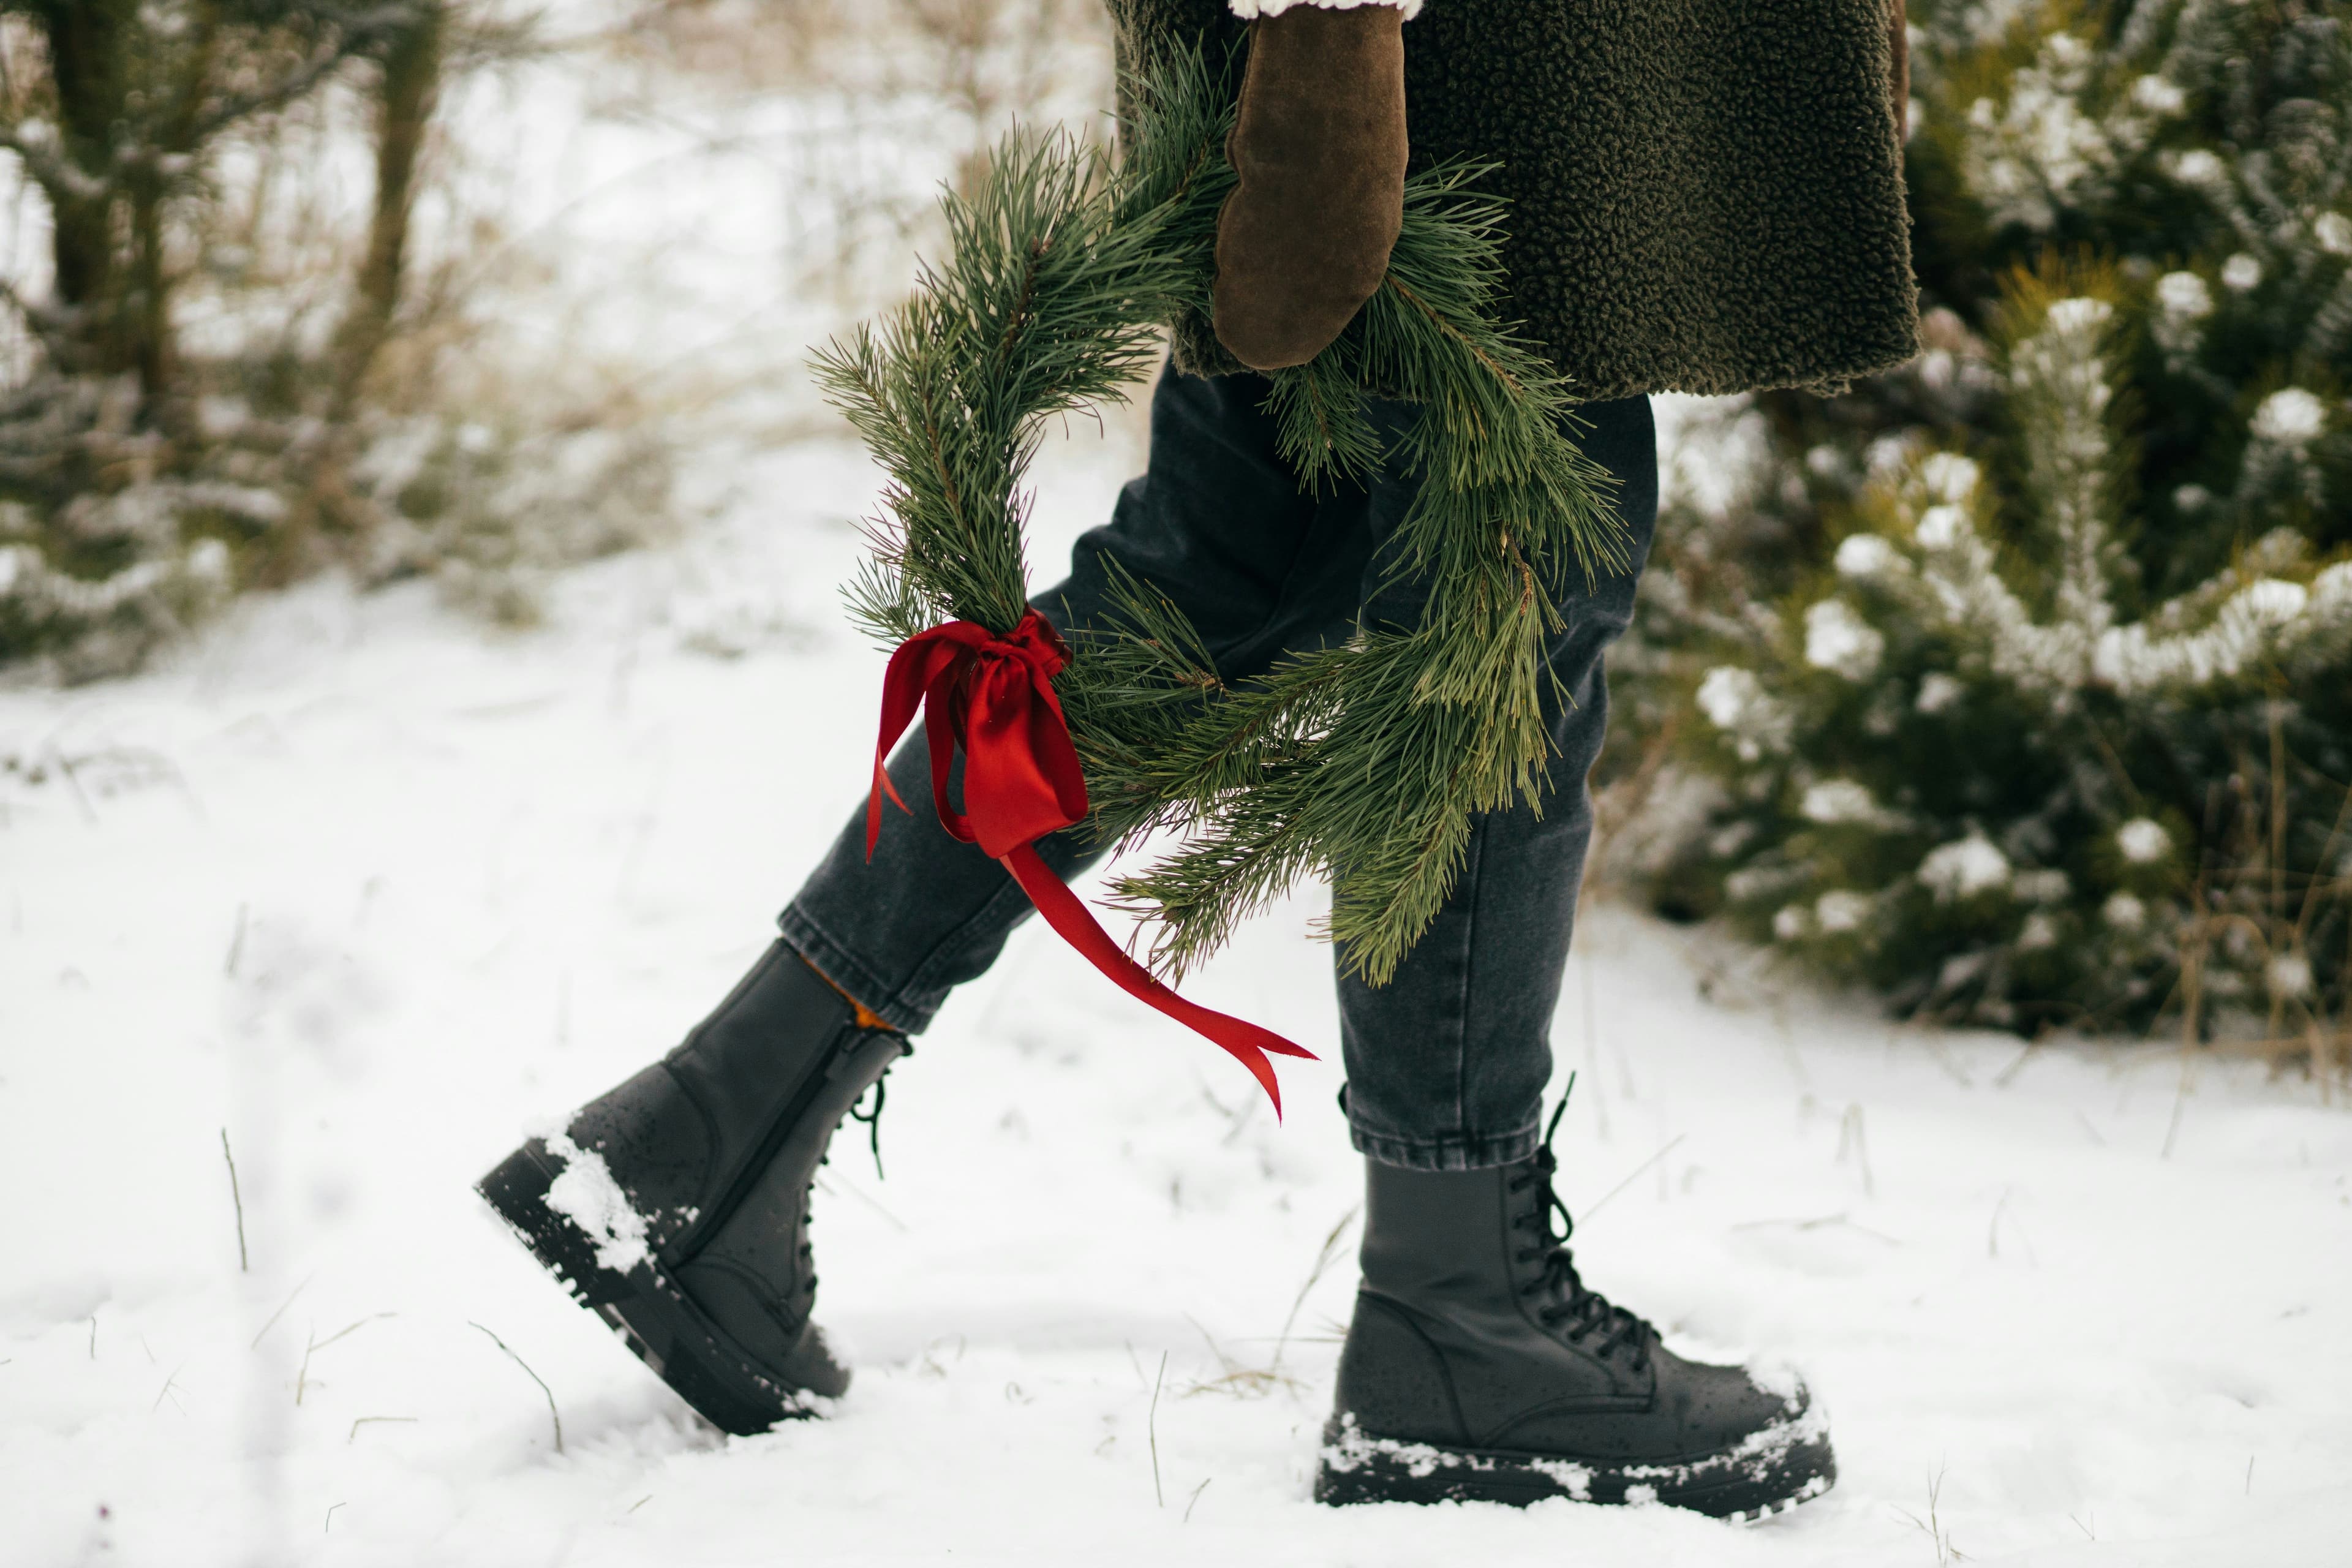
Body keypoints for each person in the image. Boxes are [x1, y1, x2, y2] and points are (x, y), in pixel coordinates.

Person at [478, 0, 1918, 1517]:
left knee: (1233, 557)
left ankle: (706, 1131)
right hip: (1460, 44)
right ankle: (1465, 1315)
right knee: (1505, 547)